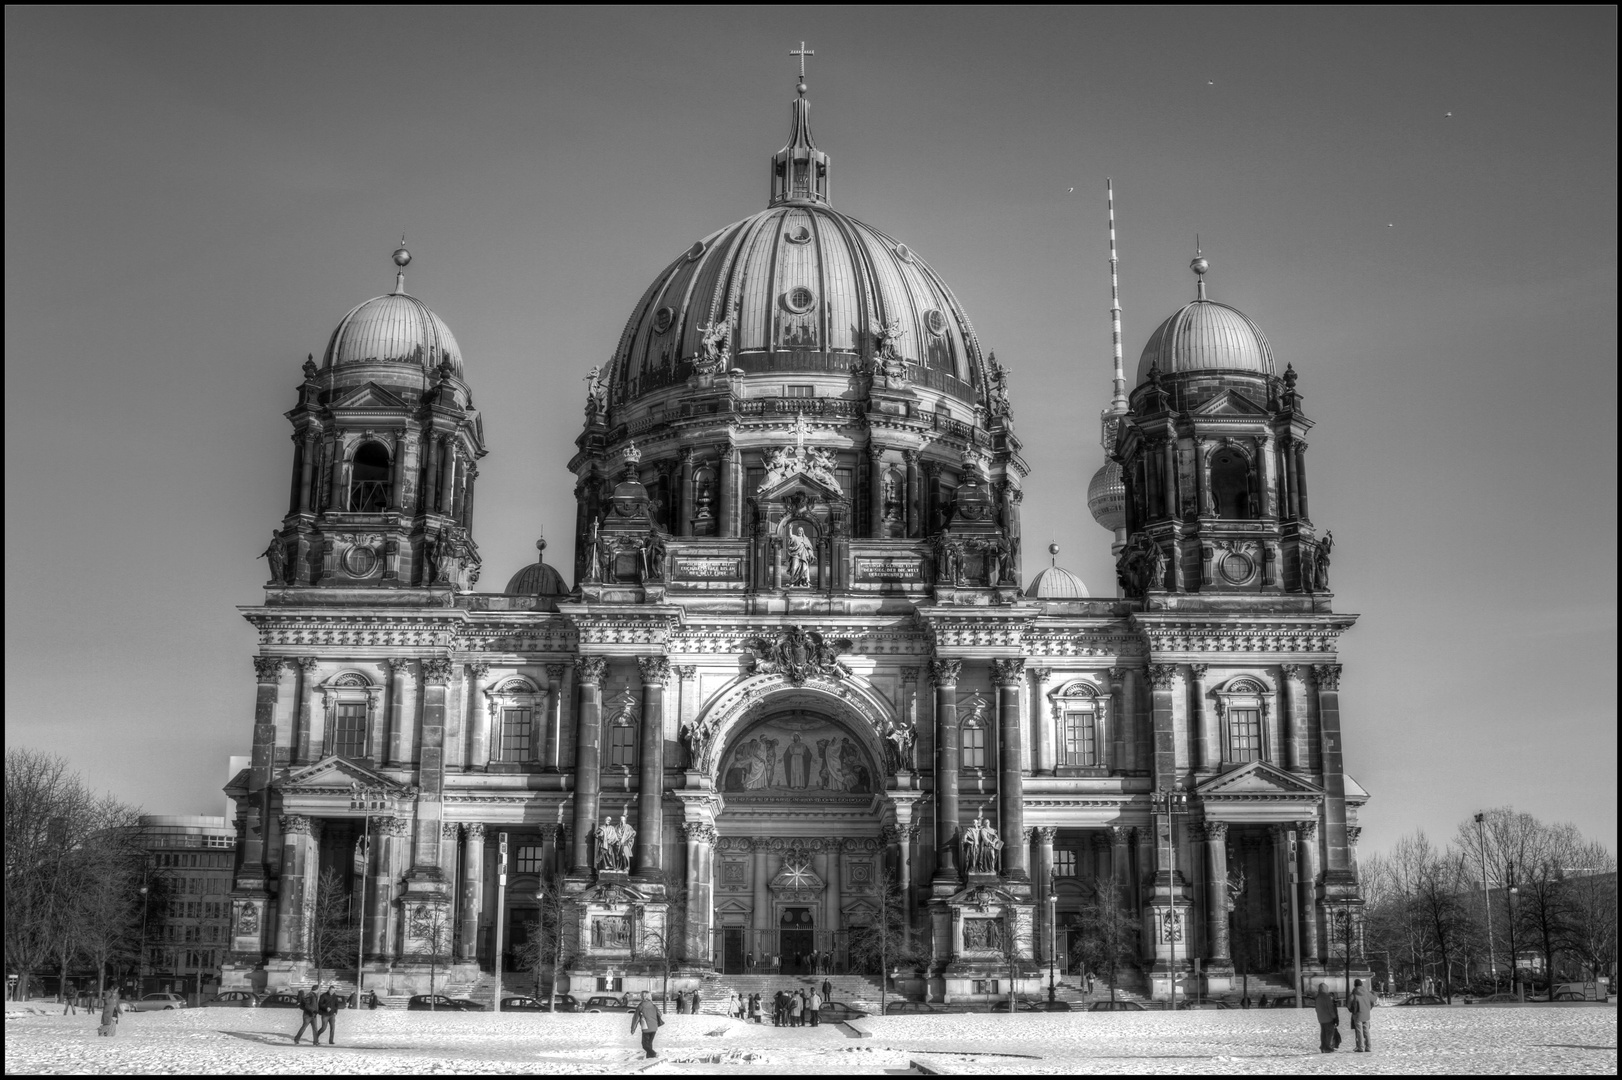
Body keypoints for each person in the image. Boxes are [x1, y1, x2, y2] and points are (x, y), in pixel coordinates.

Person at [630, 990, 663, 1059]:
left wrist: (633, 1029)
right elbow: (660, 1014)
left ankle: (654, 1054)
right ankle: (650, 1058)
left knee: (644, 1045)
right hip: (654, 1027)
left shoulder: (641, 1006)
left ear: (643, 997)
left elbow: (635, 1019)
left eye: (641, 995)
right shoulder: (653, 1006)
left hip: (646, 1027)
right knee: (649, 1044)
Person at [1348, 978, 1377, 1053]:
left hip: (1357, 1015)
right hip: (1366, 1014)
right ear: (1361, 984)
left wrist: (1351, 1009)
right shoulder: (1367, 992)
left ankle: (1361, 1047)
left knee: (1359, 1032)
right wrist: (1374, 994)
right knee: (1366, 1031)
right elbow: (1374, 999)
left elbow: (1348, 1004)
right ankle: (1368, 1046)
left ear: (1355, 985)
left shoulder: (1354, 993)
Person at [1314, 982, 1340, 1054]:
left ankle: (1323, 1046)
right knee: (1329, 1033)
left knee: (1323, 1033)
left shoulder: (1318, 997)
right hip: (1328, 1018)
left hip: (1321, 1018)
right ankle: (1328, 1047)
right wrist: (1334, 1017)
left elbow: (1316, 1009)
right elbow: (1330, 1008)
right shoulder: (1326, 997)